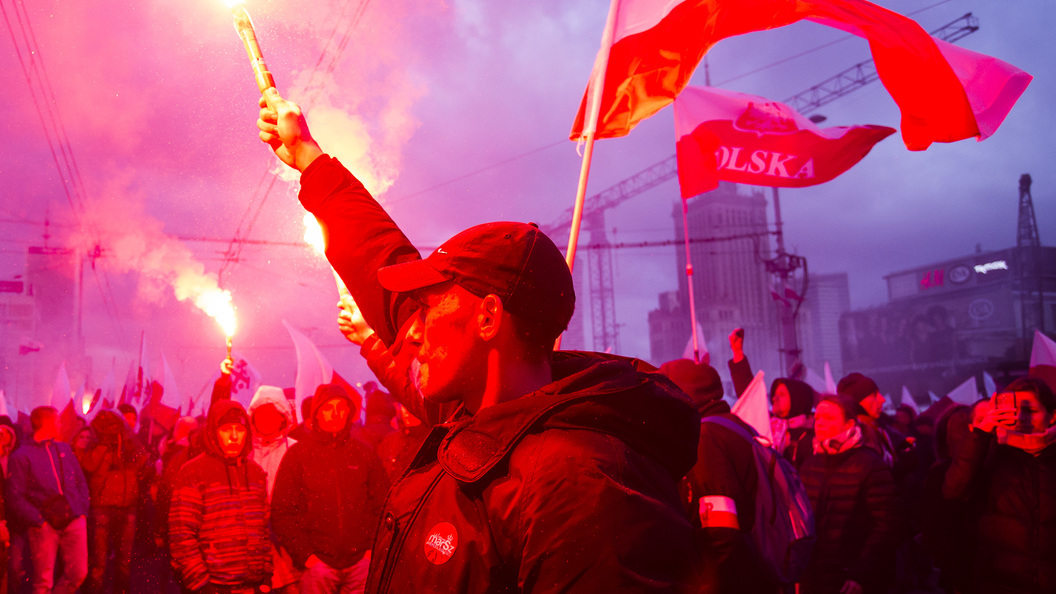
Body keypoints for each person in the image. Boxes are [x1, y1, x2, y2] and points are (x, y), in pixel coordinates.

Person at [256, 89, 700, 592]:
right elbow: (383, 261)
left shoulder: (580, 487)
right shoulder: (472, 426)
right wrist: (309, 160)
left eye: (427, 306)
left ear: (488, 318)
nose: (412, 330)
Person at [660, 358, 771, 594]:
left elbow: (721, 529)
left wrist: (712, 586)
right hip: (756, 567)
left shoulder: (706, 437)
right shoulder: (735, 426)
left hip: (734, 577)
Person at [942, 376, 1056, 593]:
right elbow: (953, 490)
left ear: (1052, 416)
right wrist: (982, 432)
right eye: (1016, 410)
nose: (1021, 418)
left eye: (1030, 411)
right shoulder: (990, 453)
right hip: (999, 581)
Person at [271, 383, 386, 594]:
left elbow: (382, 506)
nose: (335, 414)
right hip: (318, 568)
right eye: (328, 407)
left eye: (341, 407)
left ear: (349, 412)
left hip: (360, 566)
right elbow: (282, 512)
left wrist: (371, 551)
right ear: (317, 413)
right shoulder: (298, 456)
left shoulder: (363, 454)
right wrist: (306, 556)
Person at [798, 395, 898, 594]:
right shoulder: (810, 465)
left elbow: (886, 525)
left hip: (852, 579)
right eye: (817, 418)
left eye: (829, 418)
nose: (821, 424)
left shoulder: (869, 465)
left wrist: (861, 574)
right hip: (815, 578)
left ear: (849, 423)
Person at [168, 400, 271, 593]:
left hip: (253, 585)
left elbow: (263, 529)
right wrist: (201, 584)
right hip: (214, 585)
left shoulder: (255, 473)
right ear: (214, 432)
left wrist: (265, 575)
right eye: (226, 429)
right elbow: (182, 534)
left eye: (239, 429)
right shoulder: (193, 472)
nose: (234, 437)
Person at [6, 406, 90, 594]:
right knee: (43, 581)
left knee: (78, 573)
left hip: (74, 519)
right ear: (46, 423)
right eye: (57, 420)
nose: (61, 424)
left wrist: (81, 510)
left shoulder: (64, 449)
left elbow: (80, 480)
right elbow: (15, 496)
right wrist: (39, 520)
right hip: (44, 525)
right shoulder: (22, 456)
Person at [78, 409, 151, 594]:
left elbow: (143, 461)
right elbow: (88, 465)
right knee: (99, 563)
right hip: (102, 507)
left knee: (124, 562)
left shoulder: (129, 445)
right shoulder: (93, 441)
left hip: (127, 507)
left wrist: (128, 440)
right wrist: (103, 445)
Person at [246, 386, 301, 593]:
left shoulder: (296, 449)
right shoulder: (244, 450)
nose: (267, 420)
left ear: (283, 418)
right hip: (250, 543)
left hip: (285, 545)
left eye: (273, 415)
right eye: (262, 415)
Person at [769, 377, 816, 467]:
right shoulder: (769, 426)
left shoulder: (810, 437)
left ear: (798, 399)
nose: (774, 398)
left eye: (782, 394)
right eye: (775, 394)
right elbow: (749, 395)